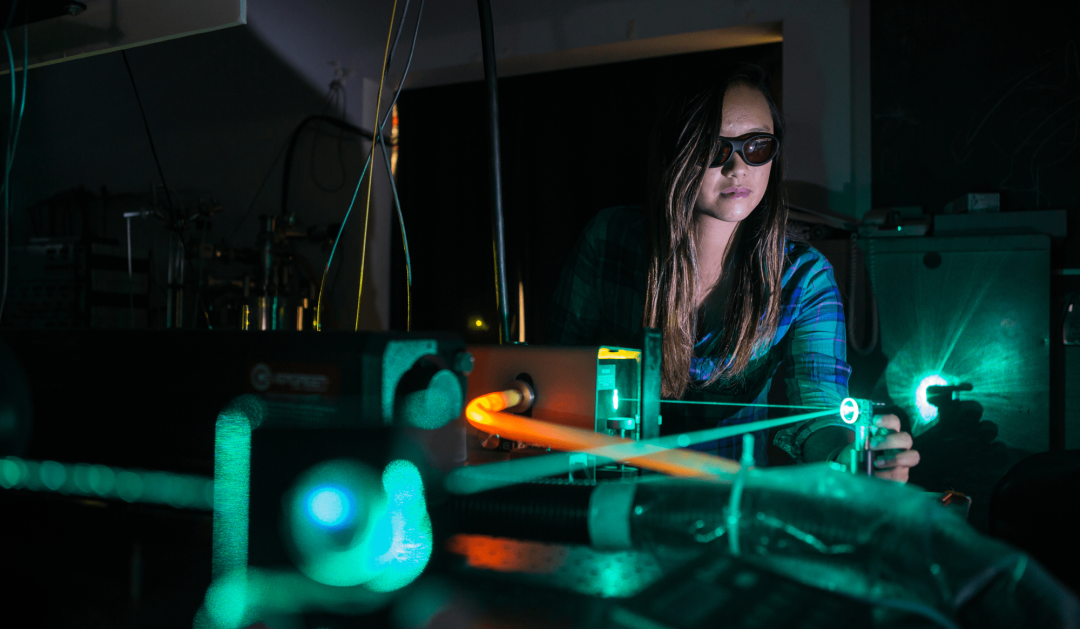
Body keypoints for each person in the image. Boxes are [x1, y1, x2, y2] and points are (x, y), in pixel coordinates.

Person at [546, 63, 919, 481]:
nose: (738, 167)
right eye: (714, 148)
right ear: (677, 150)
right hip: (613, 503)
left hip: (734, 510)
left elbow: (818, 410)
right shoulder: (609, 240)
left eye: (757, 146)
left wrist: (847, 455)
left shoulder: (804, 278)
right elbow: (555, 379)